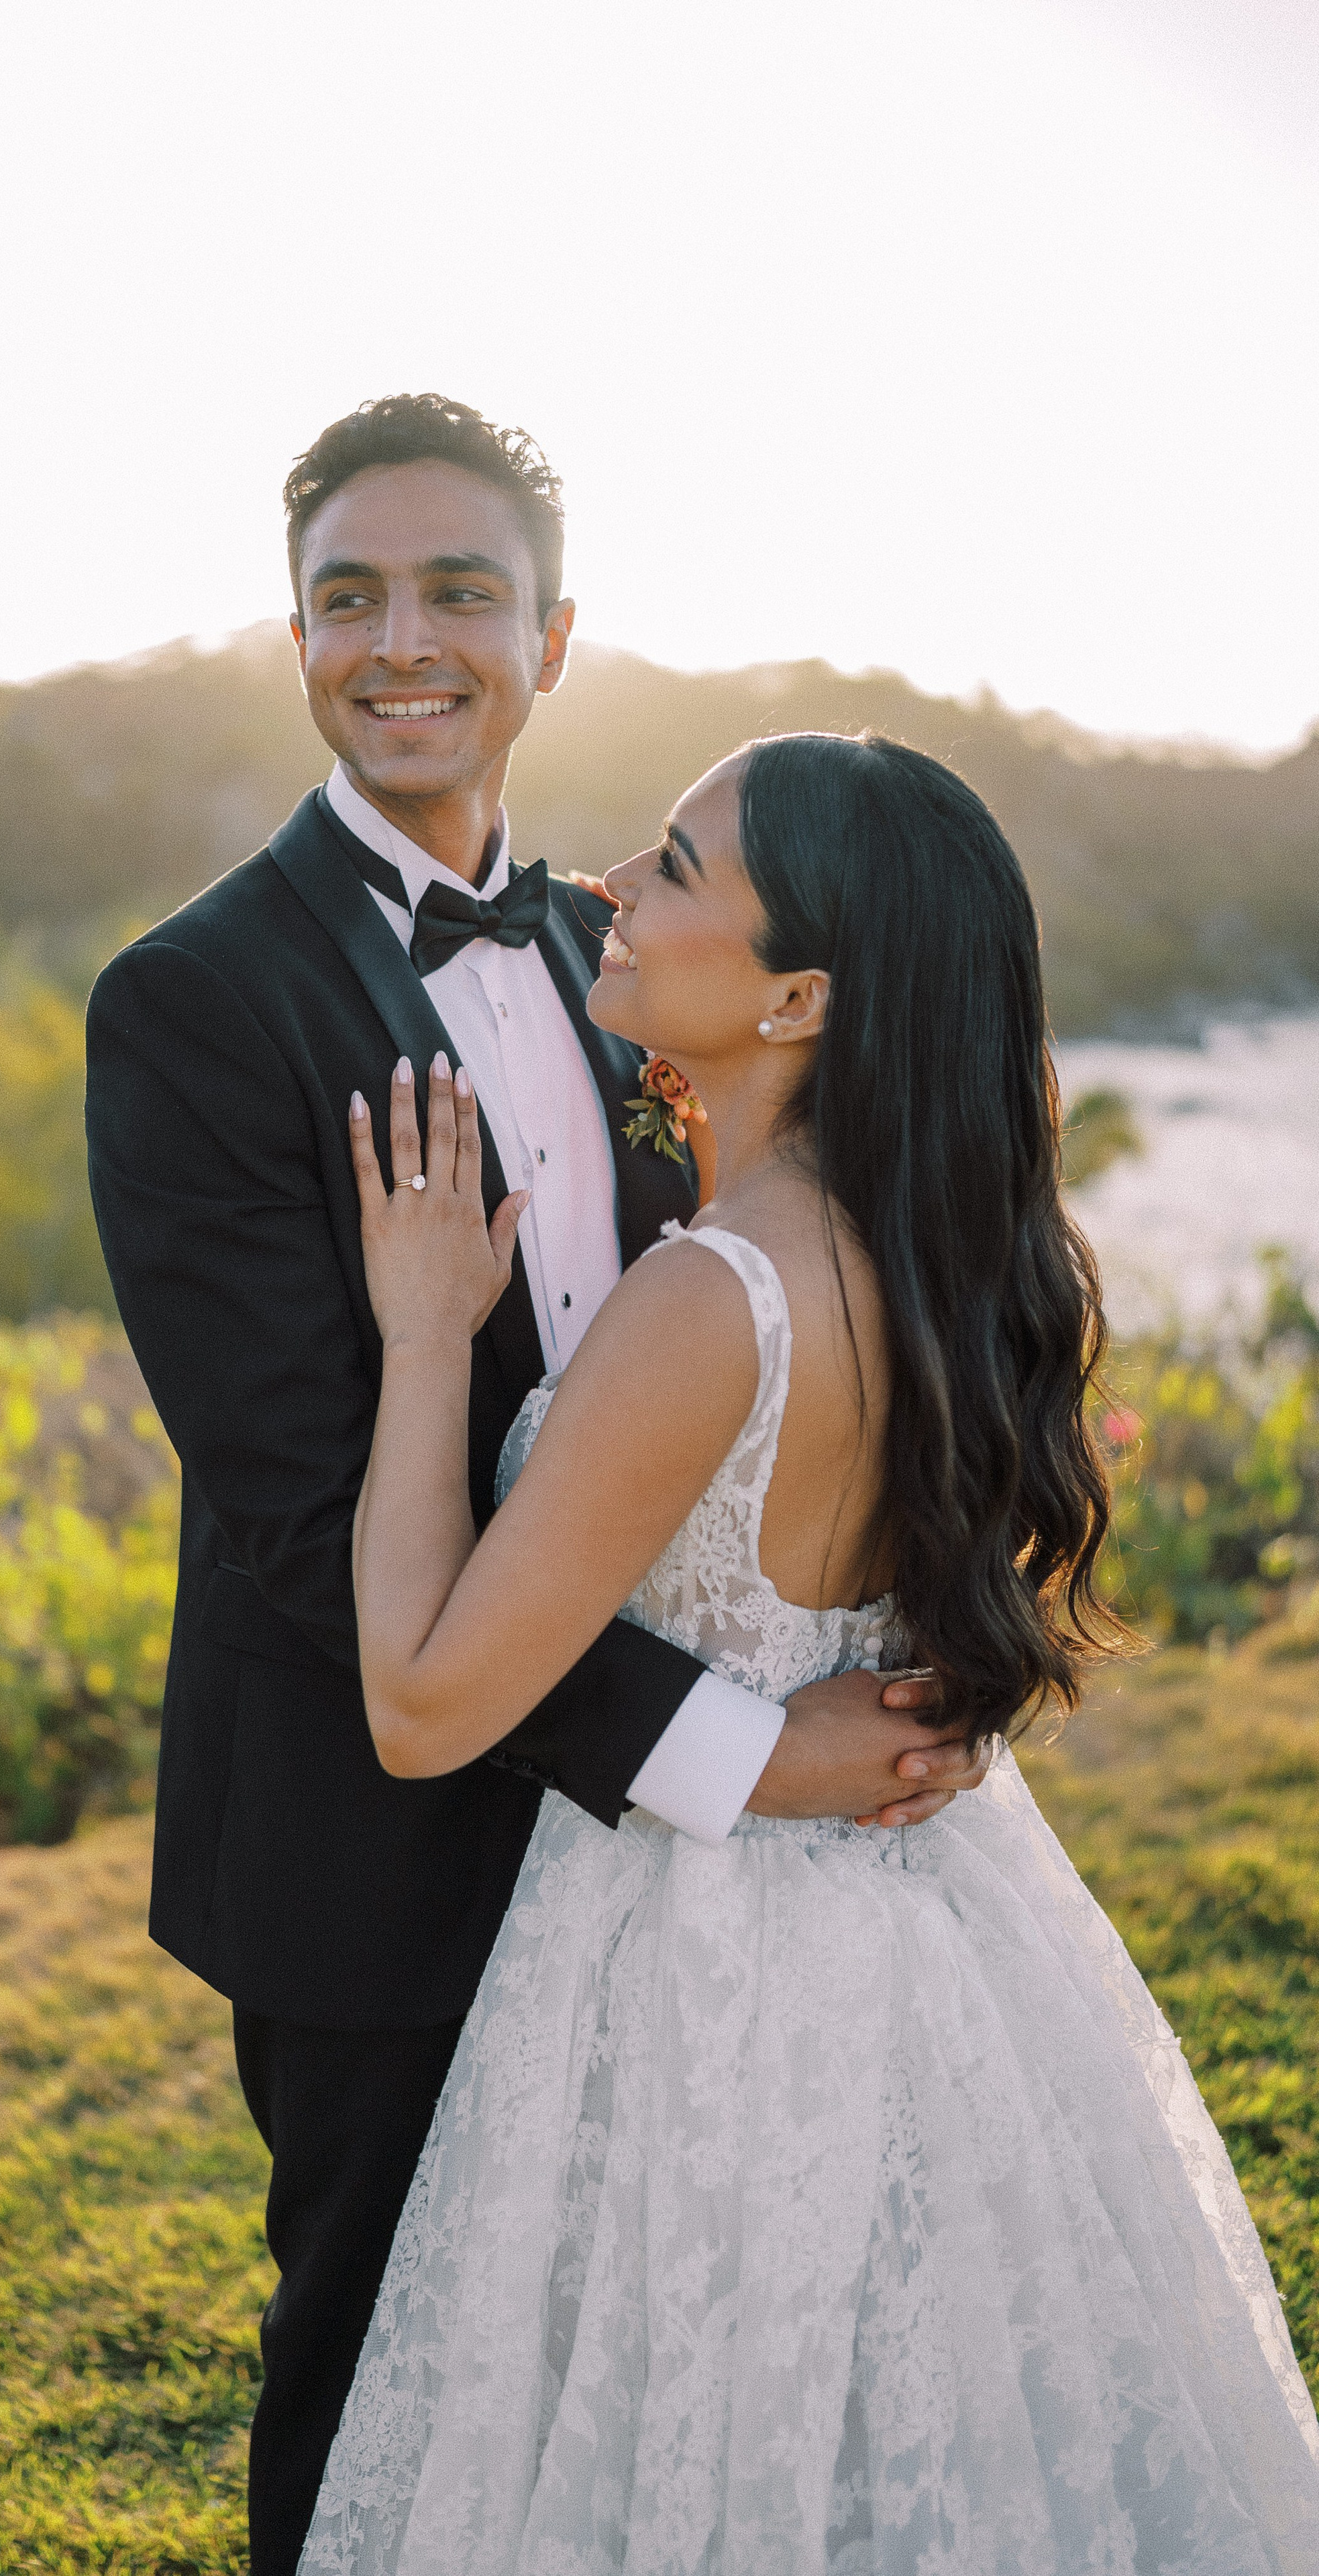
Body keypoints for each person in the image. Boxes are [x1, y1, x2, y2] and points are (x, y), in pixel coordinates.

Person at [85, 396, 991, 2576]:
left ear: (553, 638)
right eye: (350, 597)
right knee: (393, 2391)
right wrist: (740, 1751)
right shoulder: (192, 1006)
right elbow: (309, 1532)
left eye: (462, 592)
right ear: (291, 634)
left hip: (688, 1913)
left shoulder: (639, 960)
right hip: (374, 1829)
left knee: (644, 2375)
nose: (406, 643)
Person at [299, 732, 1319, 2571]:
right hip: (916, 1935)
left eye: (677, 866)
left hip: (697, 1964)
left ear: (799, 997)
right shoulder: (922, 1250)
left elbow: (426, 1704)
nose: (611, 878)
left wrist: (431, 1331)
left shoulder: (713, 1298)